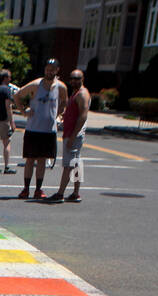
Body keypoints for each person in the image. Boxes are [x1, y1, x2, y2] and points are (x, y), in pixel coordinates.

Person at [13, 59, 67, 200]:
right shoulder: (36, 85)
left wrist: (59, 114)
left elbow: (64, 101)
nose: (49, 72)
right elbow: (17, 95)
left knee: (42, 160)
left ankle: (38, 189)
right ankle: (25, 189)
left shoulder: (61, 87)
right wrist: (23, 111)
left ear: (57, 70)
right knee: (30, 159)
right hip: (33, 129)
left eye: (52, 69)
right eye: (47, 69)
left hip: (49, 131)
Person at [50, 69, 90, 203]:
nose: (74, 80)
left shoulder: (82, 94)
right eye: (72, 78)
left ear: (82, 79)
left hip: (74, 134)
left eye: (77, 78)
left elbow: (83, 116)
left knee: (68, 165)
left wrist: (73, 136)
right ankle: (76, 193)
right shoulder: (76, 93)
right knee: (77, 163)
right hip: (72, 133)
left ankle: (60, 193)